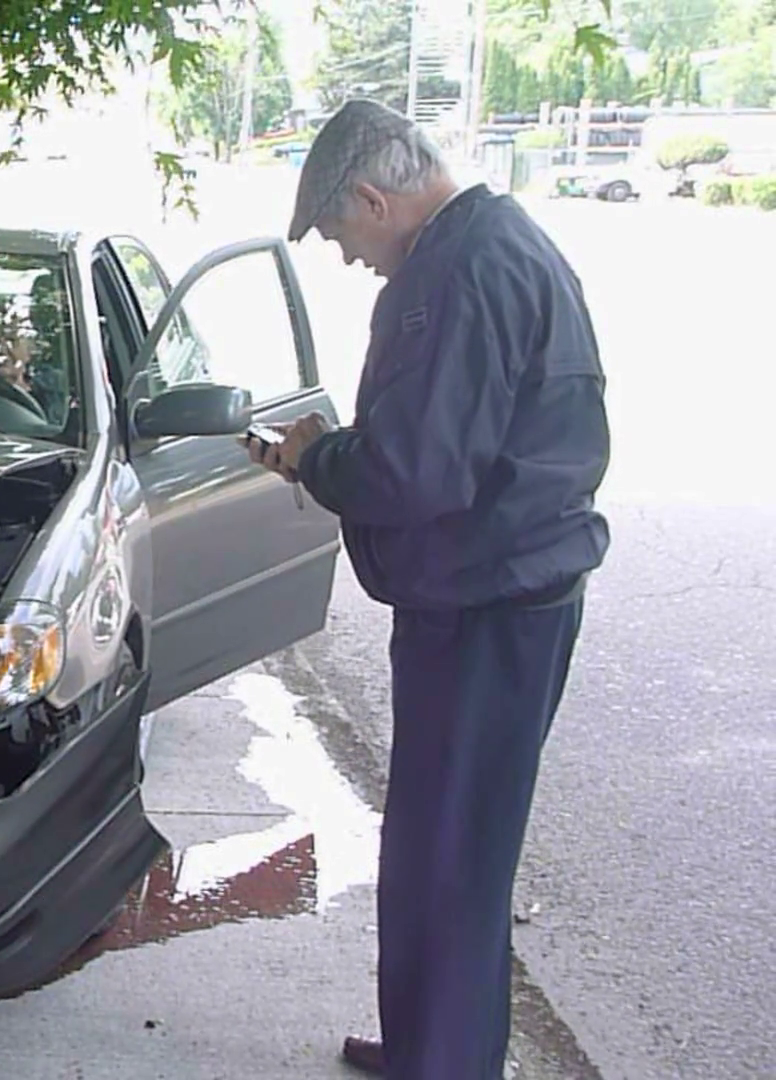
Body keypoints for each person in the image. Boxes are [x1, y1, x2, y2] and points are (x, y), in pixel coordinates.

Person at [248, 99, 611, 1078]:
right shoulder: (504, 243)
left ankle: (444, 1062)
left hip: (490, 606)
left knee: (451, 859)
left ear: (372, 196)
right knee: (441, 849)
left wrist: (318, 460)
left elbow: (416, 473)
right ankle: (429, 1046)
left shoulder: (453, 274)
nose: (346, 254)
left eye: (338, 231)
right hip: (502, 593)